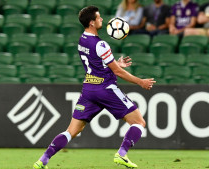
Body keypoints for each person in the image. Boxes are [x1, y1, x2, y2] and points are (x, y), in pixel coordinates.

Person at [33, 5, 156, 169]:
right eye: (99, 18)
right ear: (92, 22)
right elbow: (118, 72)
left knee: (71, 131)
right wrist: (140, 81)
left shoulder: (81, 40)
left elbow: (96, 63)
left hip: (89, 90)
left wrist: (114, 63)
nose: (102, 20)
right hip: (105, 89)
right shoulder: (101, 45)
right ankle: (121, 154)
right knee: (139, 122)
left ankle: (43, 160)